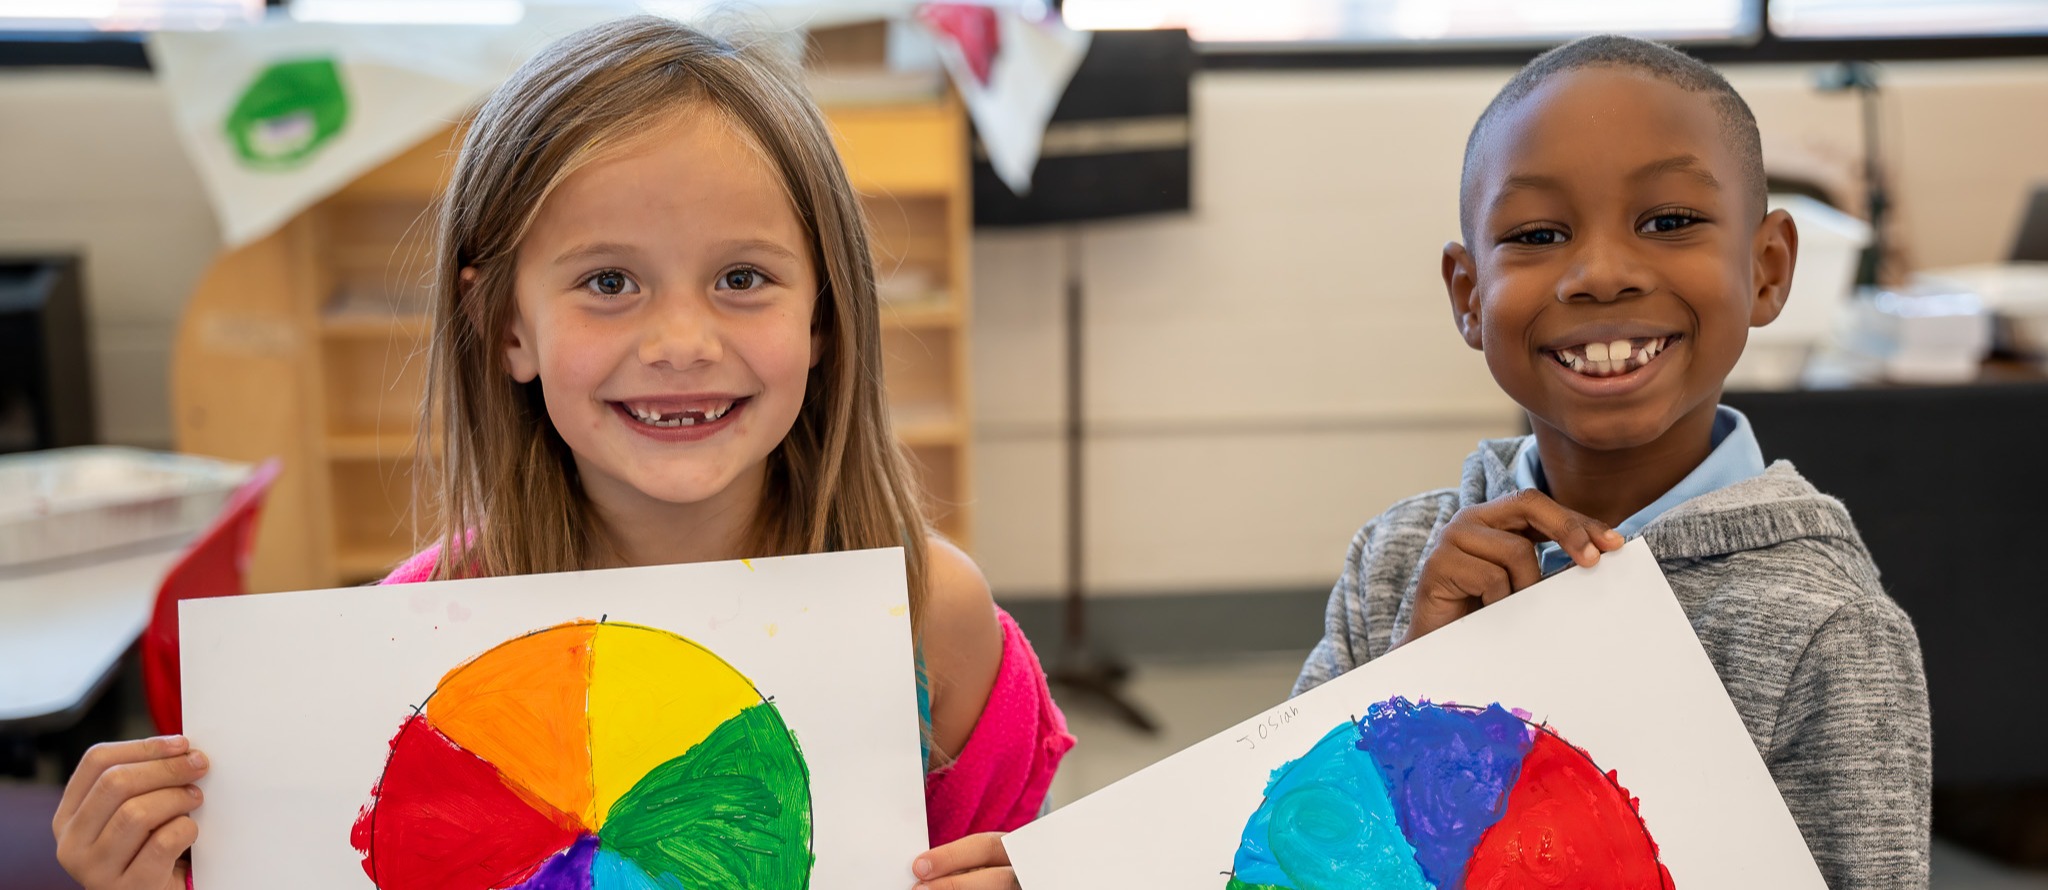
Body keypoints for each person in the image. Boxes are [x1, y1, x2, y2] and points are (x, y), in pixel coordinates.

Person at [51, 17, 1070, 890]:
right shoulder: (413, 637)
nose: (680, 342)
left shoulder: (927, 610)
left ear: (823, 320)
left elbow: (1007, 852)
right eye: (608, 283)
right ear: (505, 329)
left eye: (743, 276)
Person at [1295, 35, 1930, 889]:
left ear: (1767, 268)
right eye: (1537, 233)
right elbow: (1286, 856)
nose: (1600, 274)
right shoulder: (1397, 565)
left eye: (1669, 222)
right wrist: (1419, 693)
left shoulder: (1827, 628)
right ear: (1468, 294)